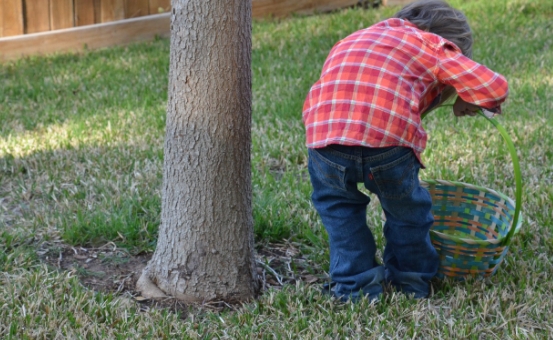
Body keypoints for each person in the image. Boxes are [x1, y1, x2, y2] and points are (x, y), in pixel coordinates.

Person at [302, 0, 508, 302]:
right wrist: (468, 94)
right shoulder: (432, 44)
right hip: (388, 143)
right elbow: (495, 86)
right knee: (407, 213)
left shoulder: (356, 37)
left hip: (325, 137)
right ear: (450, 42)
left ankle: (354, 288)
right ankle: (410, 283)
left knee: (339, 213)